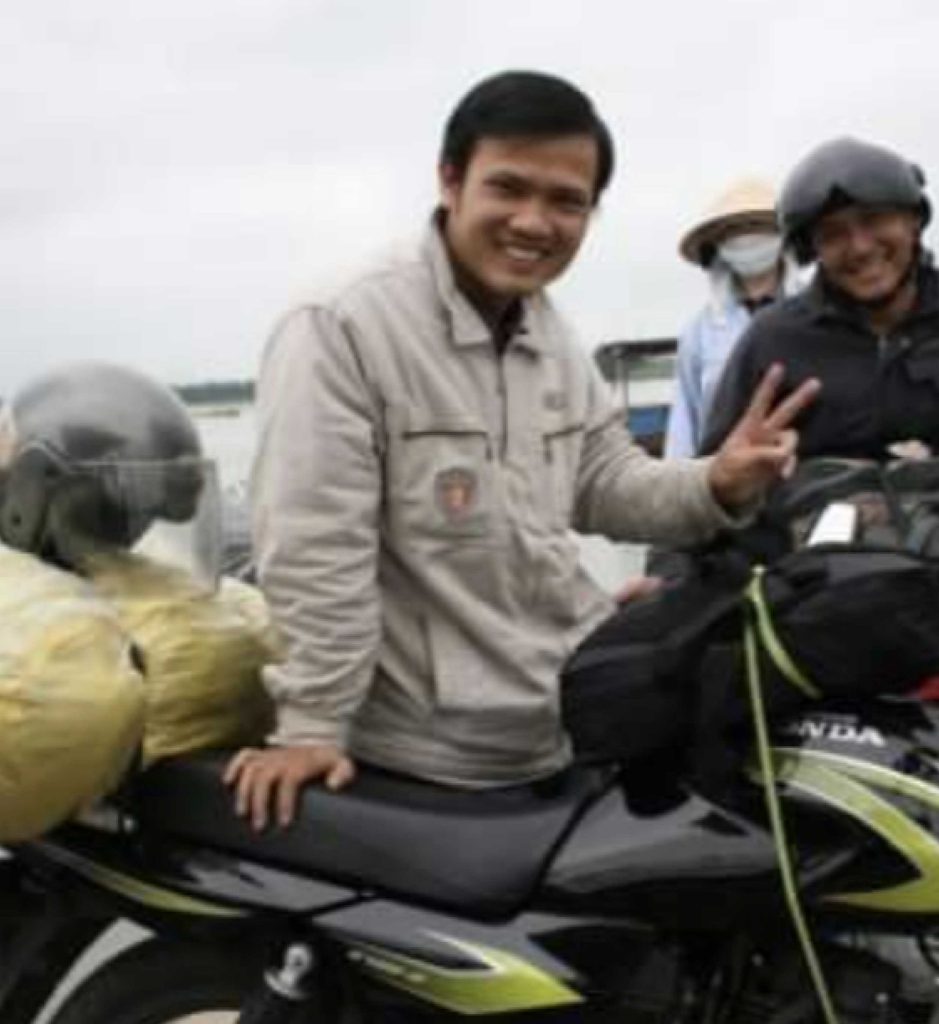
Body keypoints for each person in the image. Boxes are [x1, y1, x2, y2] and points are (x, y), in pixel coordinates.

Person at [225, 70, 818, 830]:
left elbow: (604, 480)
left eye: (566, 201)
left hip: (559, 713)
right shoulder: (343, 324)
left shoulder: (549, 333)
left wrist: (718, 483)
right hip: (432, 755)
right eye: (509, 187)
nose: (534, 222)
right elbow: (313, 542)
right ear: (450, 179)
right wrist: (311, 723)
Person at [702, 136, 939, 460]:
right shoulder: (772, 340)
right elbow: (716, 473)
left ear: (914, 221)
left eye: (874, 219)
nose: (860, 247)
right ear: (812, 250)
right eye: (832, 233)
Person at [666, 178, 798, 458]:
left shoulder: (814, 318)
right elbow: (683, 423)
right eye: (734, 229)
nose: (746, 236)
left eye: (757, 225)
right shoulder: (698, 332)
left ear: (783, 235)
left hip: (805, 476)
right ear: (718, 246)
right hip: (723, 478)